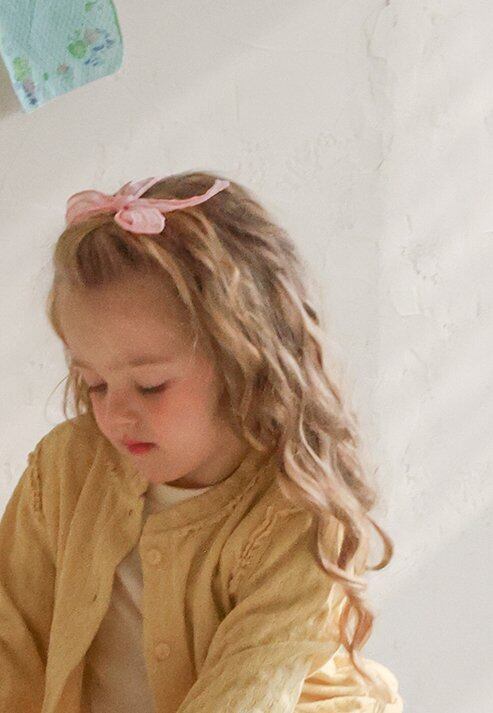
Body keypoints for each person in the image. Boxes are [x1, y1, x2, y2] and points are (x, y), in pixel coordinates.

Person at [0, 170, 404, 712]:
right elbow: (11, 641)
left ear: (244, 360)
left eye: (150, 385)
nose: (114, 413)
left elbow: (243, 699)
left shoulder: (297, 516)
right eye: (94, 383)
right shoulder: (65, 468)